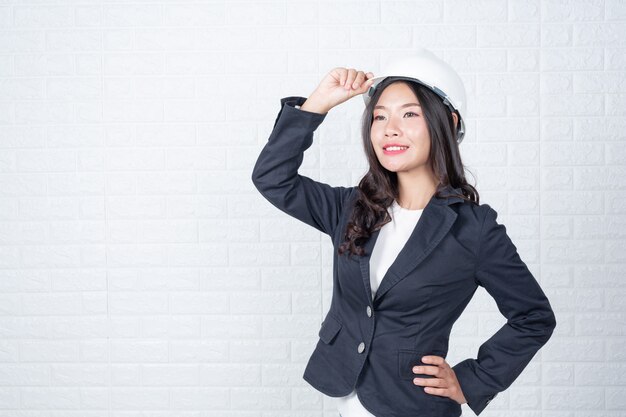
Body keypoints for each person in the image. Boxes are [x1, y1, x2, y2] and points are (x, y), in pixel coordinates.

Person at [251, 48, 556, 417]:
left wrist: (472, 381)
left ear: (447, 121)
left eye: (409, 114)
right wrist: (317, 104)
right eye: (379, 116)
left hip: (413, 405)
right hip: (345, 397)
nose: (389, 129)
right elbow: (272, 177)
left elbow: (533, 316)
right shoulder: (352, 208)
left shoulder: (473, 230)